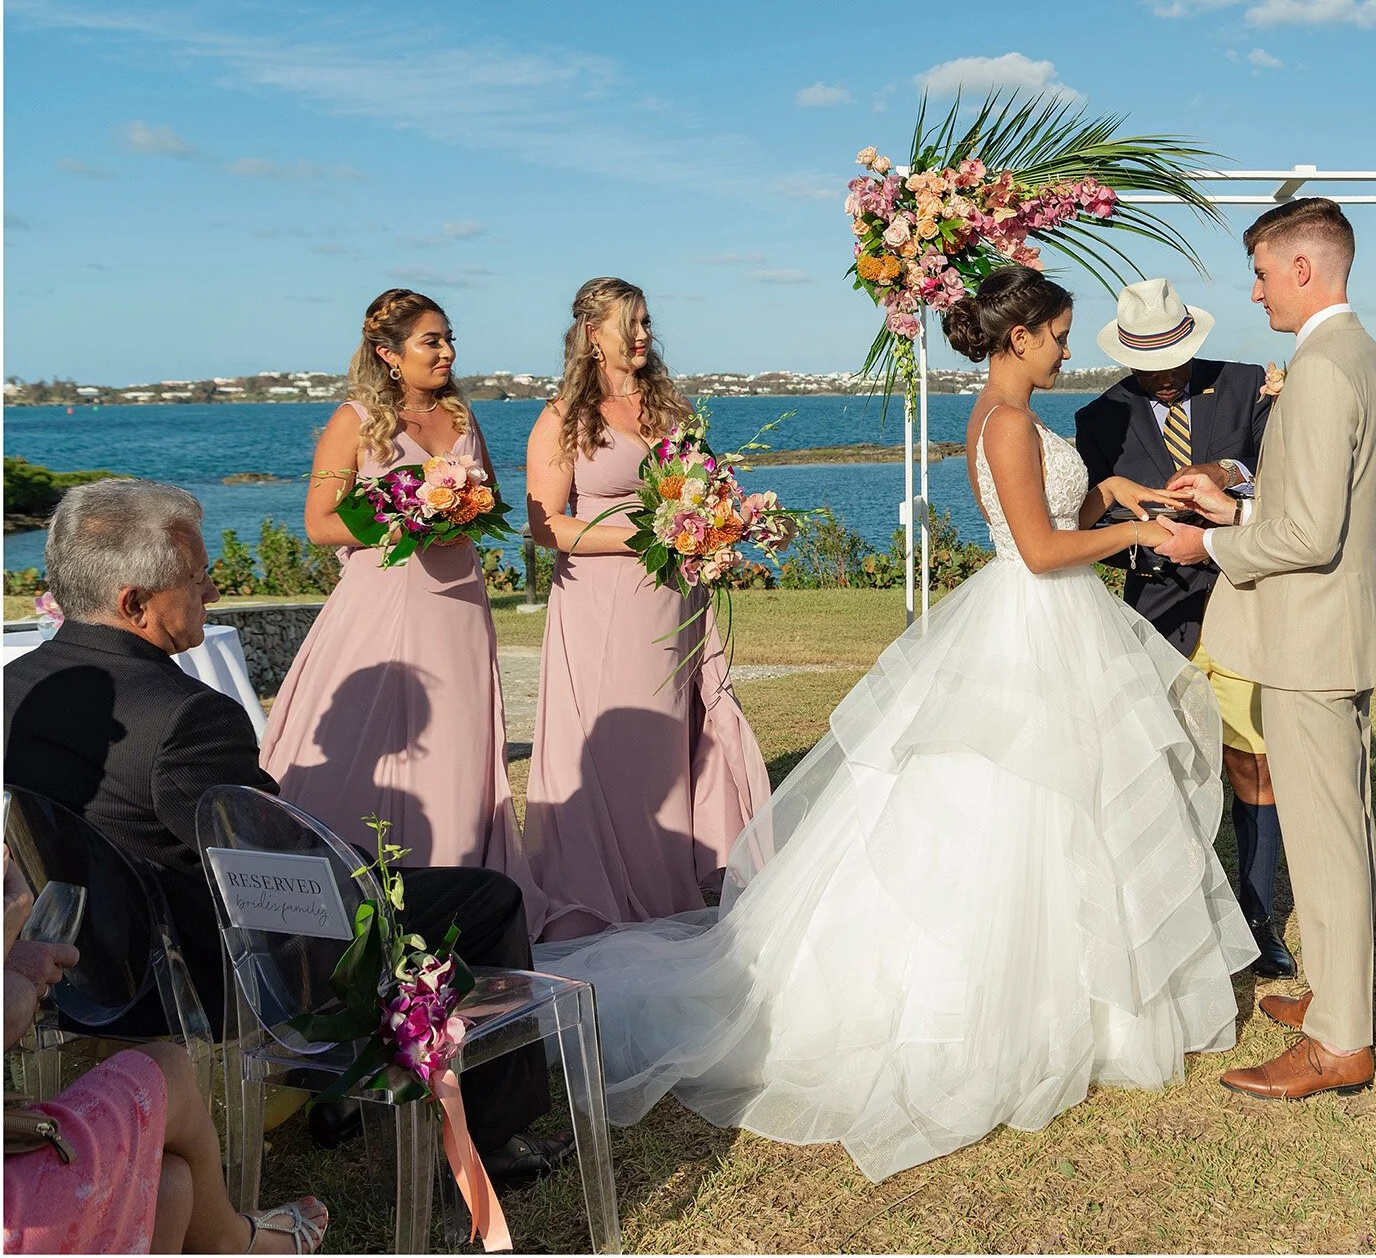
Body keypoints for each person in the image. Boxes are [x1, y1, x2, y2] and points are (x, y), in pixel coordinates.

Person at [533, 265, 1256, 1183]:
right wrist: (1139, 534)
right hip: (1036, 617)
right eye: (1058, 334)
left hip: (1053, 621)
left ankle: (1090, 994)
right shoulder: (1003, 422)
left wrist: (1112, 492)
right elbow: (1038, 550)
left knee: (1072, 803)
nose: (1067, 349)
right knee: (1025, 803)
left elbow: (1053, 514)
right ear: (1019, 336)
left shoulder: (1013, 415)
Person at [2, 479, 572, 1188]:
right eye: (197, 577)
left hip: (67, 960)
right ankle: (491, 1136)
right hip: (197, 977)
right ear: (135, 603)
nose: (212, 591)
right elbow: (278, 874)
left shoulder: (17, 688)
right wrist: (364, 872)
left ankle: (349, 1089)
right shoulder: (187, 715)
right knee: (485, 898)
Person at [1154, 197, 1376, 1101]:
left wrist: (1207, 543)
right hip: (1336, 626)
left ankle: (1339, 1043)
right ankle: (1334, 994)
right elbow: (1317, 507)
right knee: (1342, 827)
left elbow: (1308, 535)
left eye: (1260, 274)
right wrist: (1238, 506)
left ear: (1303, 267)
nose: (1255, 293)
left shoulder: (1324, 368)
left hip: (1310, 637)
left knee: (1326, 841)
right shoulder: (1362, 354)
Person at [258, 290, 538, 917]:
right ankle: (339, 888)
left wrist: (466, 508)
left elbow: (489, 500)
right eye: (431, 341)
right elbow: (320, 523)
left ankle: (457, 886)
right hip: (384, 601)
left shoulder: (462, 416)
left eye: (449, 339)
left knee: (456, 737)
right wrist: (407, 514)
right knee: (370, 734)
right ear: (389, 353)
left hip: (457, 600)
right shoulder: (354, 420)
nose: (447, 352)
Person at [520, 278, 771, 939]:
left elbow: (708, 489)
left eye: (646, 321)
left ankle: (681, 872)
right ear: (591, 334)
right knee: (622, 746)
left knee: (674, 737)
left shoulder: (671, 407)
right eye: (628, 323)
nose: (641, 334)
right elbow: (547, 526)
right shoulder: (564, 417)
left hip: (674, 598)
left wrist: (723, 523)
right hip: (603, 603)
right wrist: (649, 536)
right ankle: (617, 886)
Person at [1074, 276, 1290, 978]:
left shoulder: (1248, 384)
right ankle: (1176, 915)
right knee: (1162, 767)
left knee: (1252, 760)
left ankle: (1257, 917)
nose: (1164, 376)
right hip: (1156, 614)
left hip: (1242, 601)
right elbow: (1092, 522)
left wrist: (1226, 471)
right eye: (1149, 364)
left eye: (1173, 359)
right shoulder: (1098, 418)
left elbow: (1282, 474)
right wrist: (1148, 541)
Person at [3, 854, 329, 1254]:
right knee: (167, 1069)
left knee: (170, 1186)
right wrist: (16, 962)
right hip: (16, 1217)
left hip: (103, 985)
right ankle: (229, 1241)